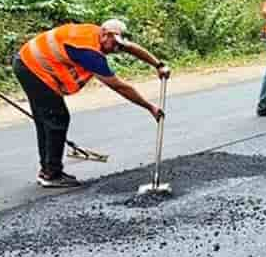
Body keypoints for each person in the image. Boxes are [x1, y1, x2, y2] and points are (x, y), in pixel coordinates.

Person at [14, 19, 170, 187]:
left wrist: (158, 64)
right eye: (114, 44)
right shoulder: (90, 53)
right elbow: (120, 87)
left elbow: (130, 47)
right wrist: (150, 107)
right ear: (105, 35)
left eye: (119, 45)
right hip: (32, 67)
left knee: (46, 119)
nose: (116, 49)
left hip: (27, 60)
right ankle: (51, 174)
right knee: (56, 118)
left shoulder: (99, 34)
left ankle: (48, 170)